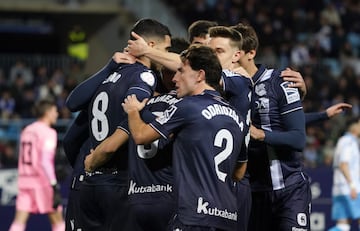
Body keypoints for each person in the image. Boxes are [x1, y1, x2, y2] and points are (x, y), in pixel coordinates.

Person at [122, 45, 248, 231]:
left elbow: (141, 136)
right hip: (228, 218)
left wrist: (132, 112)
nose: (174, 78)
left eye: (181, 71)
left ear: (200, 75)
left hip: (194, 216)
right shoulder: (237, 116)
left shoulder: (187, 106)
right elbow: (239, 172)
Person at [64, 18, 171, 231]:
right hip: (118, 179)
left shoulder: (108, 76)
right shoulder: (145, 76)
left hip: (89, 180)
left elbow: (72, 106)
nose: (167, 55)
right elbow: (133, 106)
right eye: (166, 49)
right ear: (150, 46)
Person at [83, 37, 189, 231]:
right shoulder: (189, 105)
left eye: (174, 72)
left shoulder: (143, 105)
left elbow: (115, 143)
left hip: (139, 195)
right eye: (165, 72)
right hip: (172, 196)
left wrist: (90, 162)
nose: (171, 78)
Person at [231, 22, 310, 231]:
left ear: (250, 53)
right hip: (253, 193)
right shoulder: (225, 90)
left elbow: (298, 139)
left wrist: (260, 134)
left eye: (234, 52)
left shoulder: (280, 81)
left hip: (290, 190)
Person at [9, 99, 64, 231]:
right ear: (48, 112)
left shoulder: (26, 130)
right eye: (55, 111)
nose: (57, 114)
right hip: (42, 181)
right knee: (58, 221)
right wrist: (53, 183)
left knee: (19, 221)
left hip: (24, 180)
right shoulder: (49, 133)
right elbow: (45, 161)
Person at [329, 120, 360, 231]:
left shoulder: (344, 141)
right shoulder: (348, 142)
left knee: (343, 226)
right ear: (355, 126)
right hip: (350, 189)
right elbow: (343, 164)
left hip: (340, 188)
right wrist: (352, 186)